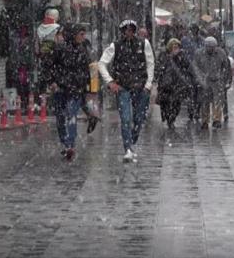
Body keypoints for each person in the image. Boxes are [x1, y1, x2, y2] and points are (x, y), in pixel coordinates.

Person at [99, 20, 155, 162]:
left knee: (138, 118)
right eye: (126, 30)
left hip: (140, 87)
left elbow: (150, 63)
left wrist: (148, 84)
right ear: (122, 31)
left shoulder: (144, 44)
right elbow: (102, 63)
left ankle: (132, 139)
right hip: (123, 87)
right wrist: (110, 82)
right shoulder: (116, 46)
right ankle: (128, 148)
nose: (129, 33)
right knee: (125, 118)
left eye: (131, 30)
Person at [50, 24, 91, 161]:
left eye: (84, 34)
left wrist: (86, 85)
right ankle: (65, 142)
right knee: (61, 117)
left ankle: (70, 145)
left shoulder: (83, 49)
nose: (83, 37)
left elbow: (86, 69)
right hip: (61, 88)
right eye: (81, 34)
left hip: (75, 89)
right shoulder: (60, 49)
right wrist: (53, 82)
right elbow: (50, 66)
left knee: (71, 114)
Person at [191, 37, 232, 130]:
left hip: (217, 81)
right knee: (204, 102)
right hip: (205, 81)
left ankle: (216, 120)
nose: (210, 49)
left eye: (212, 47)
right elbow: (195, 67)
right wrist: (200, 79)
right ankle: (205, 120)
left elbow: (226, 67)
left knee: (217, 101)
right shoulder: (199, 54)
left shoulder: (221, 53)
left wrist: (225, 79)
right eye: (208, 47)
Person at [154, 38, 193, 129]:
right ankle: (167, 118)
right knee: (165, 103)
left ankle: (172, 119)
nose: (175, 49)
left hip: (178, 85)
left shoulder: (181, 56)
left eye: (177, 47)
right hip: (165, 85)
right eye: (173, 47)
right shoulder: (164, 56)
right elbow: (158, 67)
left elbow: (188, 66)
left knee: (177, 103)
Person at [180, 23, 204, 122]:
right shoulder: (186, 40)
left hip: (197, 71)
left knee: (197, 93)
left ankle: (196, 111)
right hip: (190, 70)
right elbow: (184, 55)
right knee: (192, 92)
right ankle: (193, 112)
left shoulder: (200, 41)